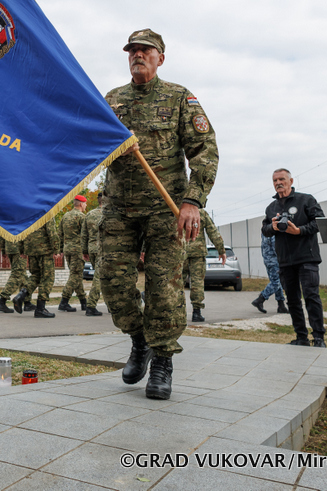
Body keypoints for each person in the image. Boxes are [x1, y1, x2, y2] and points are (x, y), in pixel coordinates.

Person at [99, 28, 219, 400]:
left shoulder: (179, 98)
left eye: (145, 50)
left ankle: (163, 360)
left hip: (166, 210)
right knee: (112, 283)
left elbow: (205, 151)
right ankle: (140, 340)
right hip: (119, 208)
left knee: (163, 287)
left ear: (160, 58)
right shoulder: (111, 100)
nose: (137, 55)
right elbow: (87, 147)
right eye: (132, 50)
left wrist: (193, 201)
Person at [262, 168, 326, 347]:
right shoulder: (271, 208)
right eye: (275, 180)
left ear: (290, 181)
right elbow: (265, 230)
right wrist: (273, 227)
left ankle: (319, 337)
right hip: (285, 261)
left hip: (307, 258)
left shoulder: (306, 200)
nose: (278, 183)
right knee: (292, 300)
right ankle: (301, 337)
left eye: (282, 179)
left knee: (311, 296)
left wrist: (299, 231)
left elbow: (319, 222)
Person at [183, 211, 224, 323]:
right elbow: (213, 231)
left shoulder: (178, 209)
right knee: (197, 282)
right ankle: (196, 313)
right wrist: (221, 250)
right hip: (198, 251)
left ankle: (176, 311)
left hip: (181, 251)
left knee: (177, 282)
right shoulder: (201, 213)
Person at [24, 216, 61, 319]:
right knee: (47, 278)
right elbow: (52, 232)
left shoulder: (30, 214)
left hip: (31, 250)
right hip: (45, 250)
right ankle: (40, 308)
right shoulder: (46, 213)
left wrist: (23, 249)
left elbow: (23, 232)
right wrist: (56, 249)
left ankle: (22, 295)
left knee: (35, 275)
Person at [58, 195, 89, 312]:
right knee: (75, 276)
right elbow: (85, 235)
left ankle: (83, 302)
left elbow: (60, 234)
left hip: (68, 249)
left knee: (76, 276)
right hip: (78, 250)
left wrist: (60, 250)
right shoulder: (82, 217)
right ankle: (64, 301)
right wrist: (86, 251)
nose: (86, 206)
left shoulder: (65, 216)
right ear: (81, 204)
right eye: (85, 203)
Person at [0, 234, 34, 313]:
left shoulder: (6, 224)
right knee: (17, 275)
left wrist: (3, 250)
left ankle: (27, 302)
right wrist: (26, 249)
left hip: (9, 248)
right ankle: (2, 301)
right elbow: (25, 233)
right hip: (19, 249)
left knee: (23, 275)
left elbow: (1, 234)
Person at [251, 235, 289, 314]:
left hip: (268, 260)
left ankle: (281, 305)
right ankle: (260, 299)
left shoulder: (265, 231)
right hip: (274, 260)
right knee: (276, 282)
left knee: (276, 281)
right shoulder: (273, 232)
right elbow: (276, 247)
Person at [80, 202, 105, 316]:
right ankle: (91, 305)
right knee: (99, 278)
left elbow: (84, 234)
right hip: (103, 249)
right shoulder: (108, 213)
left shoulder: (89, 214)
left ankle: (110, 305)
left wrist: (84, 251)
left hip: (92, 249)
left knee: (103, 277)